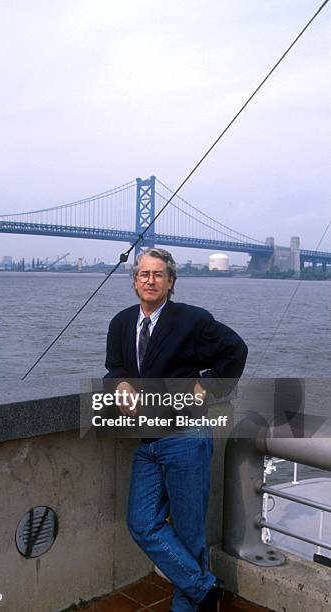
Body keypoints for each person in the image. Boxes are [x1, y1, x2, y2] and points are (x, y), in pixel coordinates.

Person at [104, 247, 248, 612]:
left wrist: (209, 385)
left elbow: (235, 350)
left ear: (171, 281)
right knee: (140, 523)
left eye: (157, 274)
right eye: (143, 274)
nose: (149, 280)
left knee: (188, 533)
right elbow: (115, 367)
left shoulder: (192, 319)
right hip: (148, 438)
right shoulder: (121, 322)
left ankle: (189, 606)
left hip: (187, 436)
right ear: (134, 281)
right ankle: (205, 589)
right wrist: (119, 384)